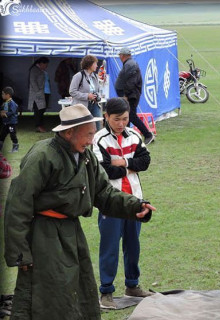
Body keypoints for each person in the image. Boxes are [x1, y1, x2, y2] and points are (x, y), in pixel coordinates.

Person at [3, 104, 156, 320]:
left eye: (93, 134)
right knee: (50, 292)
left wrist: (135, 206)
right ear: (68, 133)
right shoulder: (43, 155)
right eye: (88, 135)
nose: (91, 140)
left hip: (72, 232)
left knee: (80, 286)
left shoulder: (86, 157)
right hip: (44, 236)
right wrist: (20, 253)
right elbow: (18, 204)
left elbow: (103, 192)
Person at [93, 97, 153, 309]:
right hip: (111, 201)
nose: (121, 123)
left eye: (125, 119)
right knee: (109, 247)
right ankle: (106, 292)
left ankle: (132, 285)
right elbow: (104, 170)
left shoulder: (135, 134)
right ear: (106, 116)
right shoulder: (99, 139)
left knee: (133, 245)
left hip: (135, 200)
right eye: (116, 119)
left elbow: (145, 162)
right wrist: (130, 165)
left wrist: (123, 162)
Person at [115, 47, 155, 145]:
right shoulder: (130, 64)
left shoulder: (130, 64)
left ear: (123, 55)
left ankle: (148, 134)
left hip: (130, 95)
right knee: (127, 115)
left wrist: (126, 95)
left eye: (120, 55)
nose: (119, 57)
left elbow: (130, 82)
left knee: (131, 116)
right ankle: (126, 137)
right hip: (131, 94)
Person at [69, 54, 102, 131]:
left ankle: (97, 141)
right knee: (83, 127)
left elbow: (97, 90)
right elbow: (72, 91)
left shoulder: (95, 76)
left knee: (98, 125)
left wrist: (97, 97)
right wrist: (87, 96)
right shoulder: (78, 76)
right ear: (89, 64)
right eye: (95, 63)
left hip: (94, 104)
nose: (97, 66)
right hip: (82, 106)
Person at [28, 57, 50, 133]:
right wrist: (38, 91)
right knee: (38, 110)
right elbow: (32, 81)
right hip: (38, 94)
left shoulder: (42, 71)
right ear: (41, 63)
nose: (46, 66)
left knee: (42, 109)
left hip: (45, 92)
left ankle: (40, 125)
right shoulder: (34, 69)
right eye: (45, 65)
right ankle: (38, 126)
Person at [0, 87, 19, 153]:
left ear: (7, 95)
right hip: (6, 123)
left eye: (3, 94)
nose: (2, 95)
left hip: (11, 123)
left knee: (12, 134)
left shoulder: (12, 103)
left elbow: (12, 111)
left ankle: (15, 147)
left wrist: (5, 114)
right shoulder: (5, 103)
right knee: (2, 135)